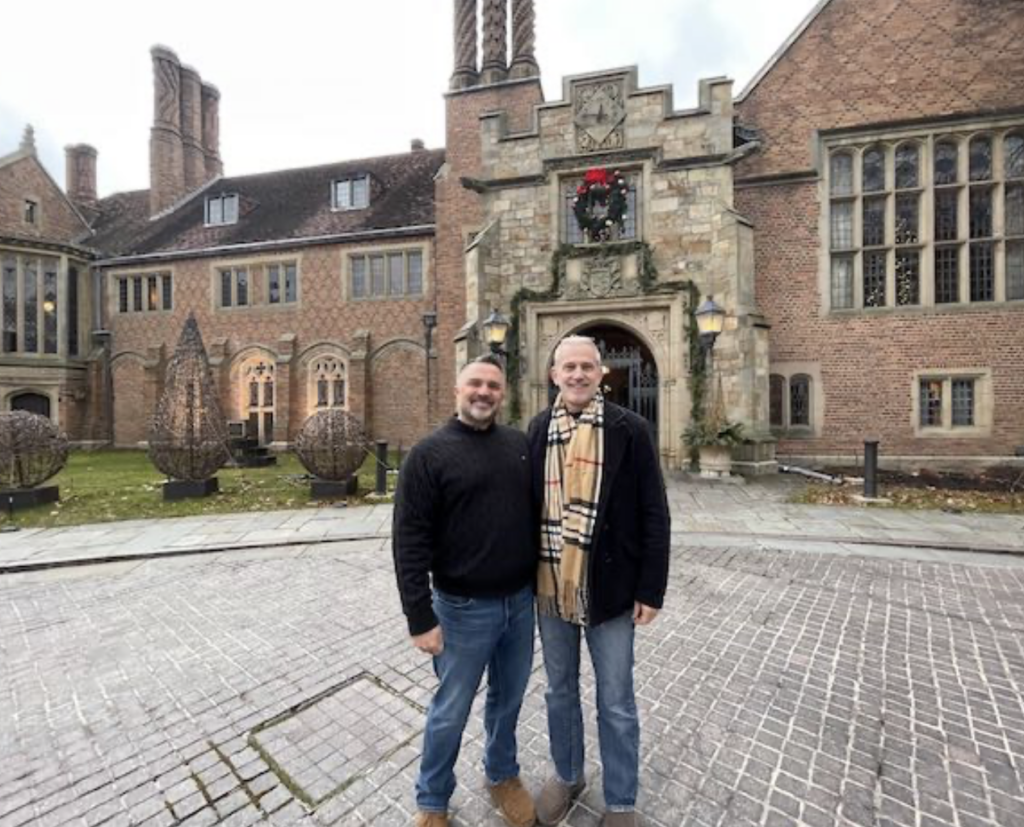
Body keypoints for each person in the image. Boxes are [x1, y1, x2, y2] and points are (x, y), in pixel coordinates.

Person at [527, 335, 670, 827]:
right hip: (551, 586)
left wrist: (651, 589)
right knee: (559, 691)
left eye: (587, 366)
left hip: (610, 589)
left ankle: (622, 800)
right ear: (554, 374)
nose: (578, 375)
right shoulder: (538, 427)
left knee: (616, 699)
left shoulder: (631, 429)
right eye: (569, 367)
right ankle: (568, 775)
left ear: (601, 372)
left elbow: (655, 512)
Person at [393, 354, 538, 827]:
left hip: (519, 605)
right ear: (458, 390)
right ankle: (432, 802)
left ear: (502, 394)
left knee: (508, 700)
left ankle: (502, 775)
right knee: (450, 711)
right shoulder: (428, 454)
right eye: (475, 383)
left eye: (493, 386)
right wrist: (420, 618)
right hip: (460, 610)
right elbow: (409, 540)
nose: (484, 392)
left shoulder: (518, 445)